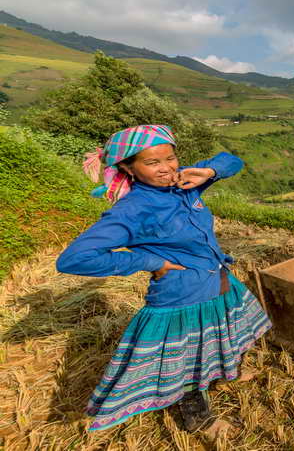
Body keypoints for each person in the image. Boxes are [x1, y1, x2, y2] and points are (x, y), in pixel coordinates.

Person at [56, 124, 271, 432]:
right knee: (188, 361)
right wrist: (149, 260)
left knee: (225, 336)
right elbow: (74, 258)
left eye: (170, 158)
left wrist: (208, 171)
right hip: (183, 296)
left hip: (217, 278)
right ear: (129, 168)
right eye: (153, 162)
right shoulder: (133, 210)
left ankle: (224, 374)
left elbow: (231, 160)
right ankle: (199, 421)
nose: (166, 167)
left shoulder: (184, 182)